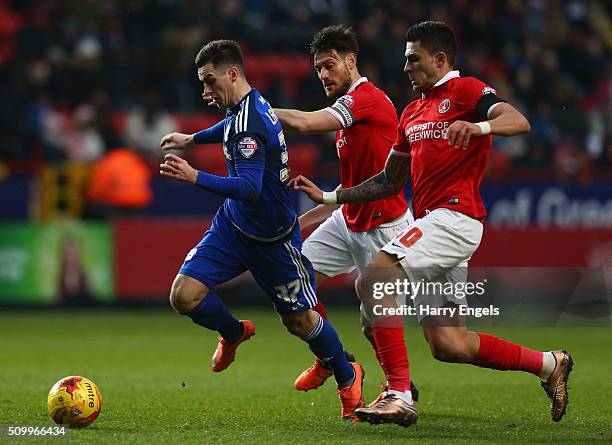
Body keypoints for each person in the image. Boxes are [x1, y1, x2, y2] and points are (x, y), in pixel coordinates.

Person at [290, 21, 573, 427]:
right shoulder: (412, 112)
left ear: (440, 59)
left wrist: (478, 126)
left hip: (456, 218)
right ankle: (550, 364)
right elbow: (389, 180)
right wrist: (331, 197)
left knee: (374, 278)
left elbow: (517, 120)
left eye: (413, 59)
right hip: (434, 223)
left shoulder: (466, 91)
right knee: (449, 343)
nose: (406, 67)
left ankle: (399, 395)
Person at [158, 39, 364, 421]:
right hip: (234, 228)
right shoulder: (247, 106)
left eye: (208, 81)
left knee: (300, 322)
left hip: (274, 240)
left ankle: (348, 375)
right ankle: (234, 332)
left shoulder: (249, 122)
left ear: (232, 73)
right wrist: (193, 139)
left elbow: (251, 188)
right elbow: (230, 128)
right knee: (183, 295)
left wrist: (194, 175)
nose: (204, 91)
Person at [273, 25, 418, 407]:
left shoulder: (366, 99)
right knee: (291, 281)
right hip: (349, 219)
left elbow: (305, 123)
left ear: (351, 61)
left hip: (386, 229)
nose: (323, 74)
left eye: (329, 65)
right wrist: (301, 222)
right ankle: (335, 358)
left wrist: (258, 111)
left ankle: (400, 390)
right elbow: (348, 187)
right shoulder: (349, 116)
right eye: (318, 68)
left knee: (375, 327)